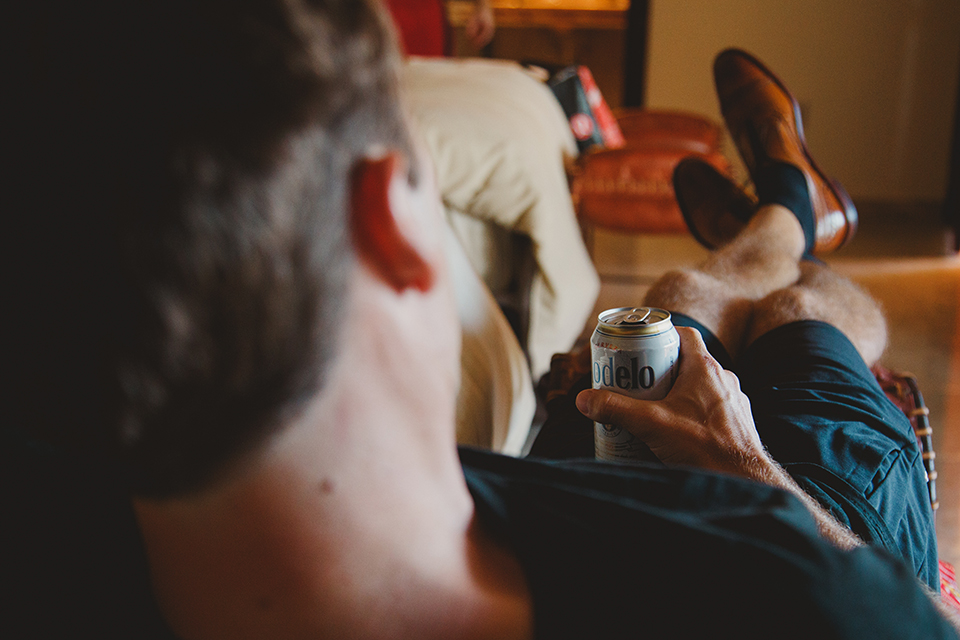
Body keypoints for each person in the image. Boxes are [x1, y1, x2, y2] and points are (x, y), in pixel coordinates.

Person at [4, 1, 958, 638]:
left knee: (662, 317)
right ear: (390, 224)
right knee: (791, 309)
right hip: (799, 501)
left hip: (563, 482)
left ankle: (775, 216)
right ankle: (793, 211)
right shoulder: (807, 601)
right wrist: (753, 478)